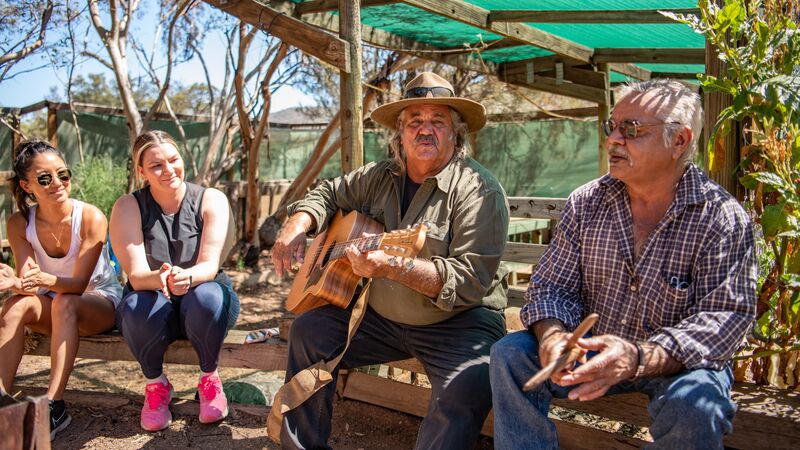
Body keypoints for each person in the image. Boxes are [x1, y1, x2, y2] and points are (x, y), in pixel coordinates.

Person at [490, 79, 757, 449]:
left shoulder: (721, 218)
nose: (613, 139)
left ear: (679, 141)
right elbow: (552, 286)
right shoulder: (587, 202)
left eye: (631, 129)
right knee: (510, 355)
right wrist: (553, 337)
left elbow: (726, 317)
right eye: (611, 127)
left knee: (695, 406)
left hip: (678, 364)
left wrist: (636, 357)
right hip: (591, 355)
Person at [271, 72, 509, 449]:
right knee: (310, 332)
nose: (424, 130)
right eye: (415, 122)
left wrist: (393, 267)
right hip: (381, 318)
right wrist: (299, 222)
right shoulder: (381, 176)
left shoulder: (480, 191)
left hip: (459, 322)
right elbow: (330, 191)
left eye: (437, 121)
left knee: (468, 384)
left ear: (456, 134)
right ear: (400, 134)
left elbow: (469, 281)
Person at [109, 130, 239, 432]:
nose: (168, 170)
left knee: (206, 296)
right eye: (156, 165)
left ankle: (210, 379)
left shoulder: (211, 199)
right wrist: (162, 278)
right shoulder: (128, 206)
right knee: (135, 307)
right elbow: (137, 276)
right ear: (141, 171)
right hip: (155, 303)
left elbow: (208, 266)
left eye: (173, 160)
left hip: (205, 303)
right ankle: (156, 386)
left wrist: (185, 276)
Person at [0, 140, 122, 440]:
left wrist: (34, 280)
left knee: (65, 302)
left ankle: (54, 406)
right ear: (28, 186)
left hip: (98, 302)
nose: (57, 183)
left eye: (62, 175)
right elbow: (30, 277)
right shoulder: (19, 223)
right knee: (15, 304)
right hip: (53, 301)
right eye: (45, 178)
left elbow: (79, 285)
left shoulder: (91, 217)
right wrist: (15, 282)